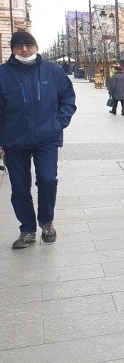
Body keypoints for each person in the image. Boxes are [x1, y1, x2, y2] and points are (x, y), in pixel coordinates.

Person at [0, 31, 76, 249]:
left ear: (36, 46)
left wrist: (58, 123)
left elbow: (68, 100)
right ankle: (27, 229)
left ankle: (46, 222)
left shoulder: (52, 71)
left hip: (47, 138)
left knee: (47, 179)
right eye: (19, 46)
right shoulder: (3, 74)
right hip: (14, 140)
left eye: (28, 45)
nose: (24, 49)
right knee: (20, 187)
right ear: (13, 49)